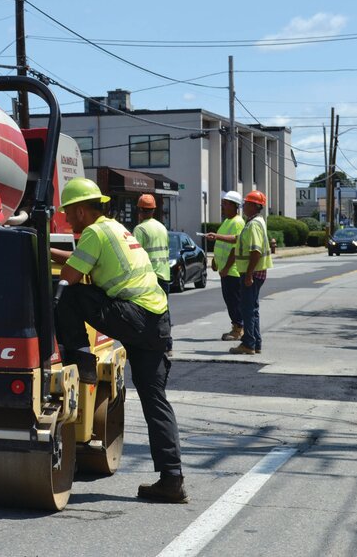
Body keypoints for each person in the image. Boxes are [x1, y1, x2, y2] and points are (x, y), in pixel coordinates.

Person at [53, 177, 187, 503]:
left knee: (68, 298)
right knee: (155, 401)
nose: (67, 218)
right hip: (157, 321)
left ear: (82, 211)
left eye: (69, 212)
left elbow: (70, 276)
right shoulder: (115, 228)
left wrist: (42, 252)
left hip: (135, 315)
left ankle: (81, 359)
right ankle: (172, 479)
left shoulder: (94, 233)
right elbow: (79, 264)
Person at [220, 190, 272, 355]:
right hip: (255, 272)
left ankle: (249, 344)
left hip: (253, 273)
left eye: (247, 204)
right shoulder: (253, 222)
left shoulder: (254, 224)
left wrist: (249, 274)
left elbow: (255, 251)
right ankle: (255, 343)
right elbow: (239, 241)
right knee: (252, 309)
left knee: (247, 309)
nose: (244, 206)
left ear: (255, 206)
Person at [133, 194, 172, 352]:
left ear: (140, 210)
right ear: (154, 210)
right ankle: (167, 345)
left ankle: (148, 345)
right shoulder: (162, 227)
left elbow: (135, 254)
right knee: (163, 311)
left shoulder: (140, 229)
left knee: (147, 313)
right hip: (164, 274)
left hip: (149, 277)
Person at [205, 191, 246, 342]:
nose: (223, 206)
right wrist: (215, 262)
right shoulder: (227, 221)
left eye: (227, 203)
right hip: (225, 270)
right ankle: (236, 326)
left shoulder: (237, 222)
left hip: (232, 271)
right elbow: (221, 244)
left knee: (234, 301)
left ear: (235, 206)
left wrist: (227, 267)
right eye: (223, 203)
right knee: (230, 301)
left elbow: (236, 247)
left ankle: (238, 329)